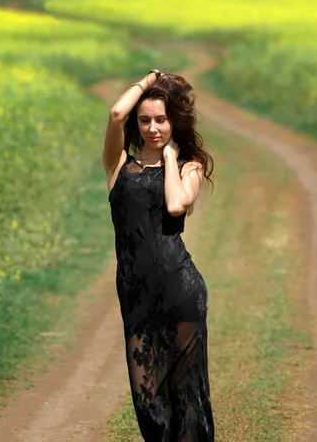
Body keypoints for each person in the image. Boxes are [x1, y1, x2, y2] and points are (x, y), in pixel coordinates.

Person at [102, 68, 215, 442]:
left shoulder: (190, 166)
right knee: (147, 404)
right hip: (136, 297)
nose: (153, 128)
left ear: (174, 122)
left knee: (186, 400)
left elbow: (175, 203)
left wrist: (169, 157)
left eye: (161, 120)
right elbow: (116, 114)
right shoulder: (118, 165)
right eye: (146, 120)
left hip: (181, 292)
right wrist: (148, 79)